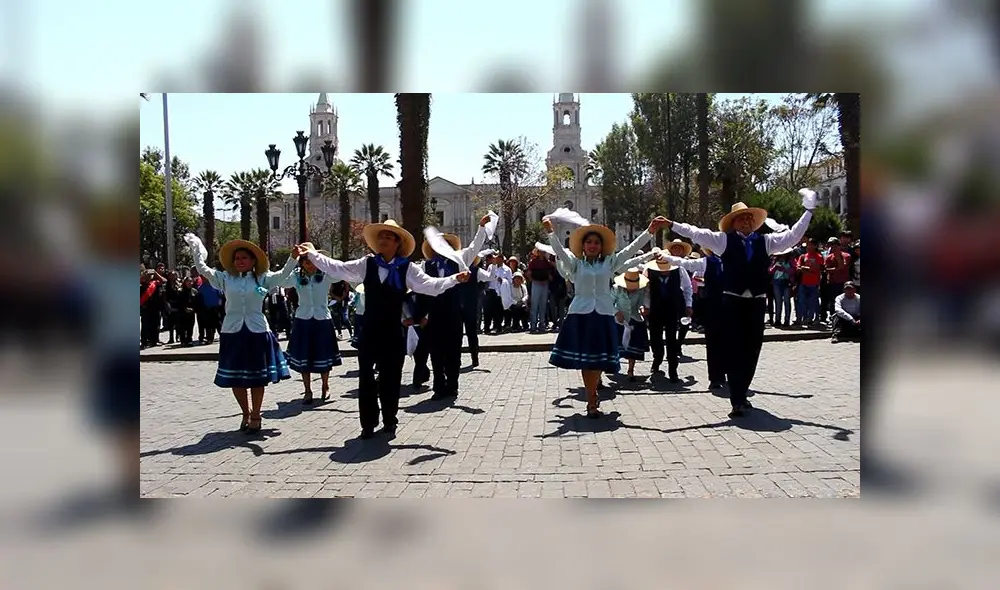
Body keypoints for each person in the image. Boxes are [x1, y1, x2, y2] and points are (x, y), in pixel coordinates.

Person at [298, 220, 470, 439]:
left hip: (393, 332)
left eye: (389, 237)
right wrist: (312, 254)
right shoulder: (366, 264)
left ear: (397, 243)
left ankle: (390, 419)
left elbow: (430, 286)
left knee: (391, 378)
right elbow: (338, 267)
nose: (383, 240)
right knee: (366, 378)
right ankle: (368, 424)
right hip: (369, 330)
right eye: (381, 236)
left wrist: (454, 279)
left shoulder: (407, 268)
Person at [663, 189, 815, 417]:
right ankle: (736, 399)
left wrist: (808, 211)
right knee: (734, 349)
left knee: (752, 350)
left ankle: (741, 393)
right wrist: (672, 224)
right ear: (733, 223)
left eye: (749, 218)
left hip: (757, 302)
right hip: (733, 302)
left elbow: (793, 236)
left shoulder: (765, 241)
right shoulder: (723, 240)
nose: (746, 221)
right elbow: (696, 233)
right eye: (742, 218)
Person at [544, 214, 668, 418]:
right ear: (583, 246)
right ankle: (591, 400)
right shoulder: (576, 264)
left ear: (602, 247)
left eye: (596, 242)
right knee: (586, 359)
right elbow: (559, 252)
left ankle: (593, 395)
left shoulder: (609, 263)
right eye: (589, 242)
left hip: (603, 313)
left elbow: (629, 251)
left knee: (598, 359)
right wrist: (551, 232)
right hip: (580, 314)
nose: (593, 245)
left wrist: (649, 232)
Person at [184, 234, 303, 433]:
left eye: (244, 258)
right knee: (236, 377)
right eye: (237, 258)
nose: (239, 261)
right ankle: (245, 413)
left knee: (257, 378)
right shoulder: (224, 278)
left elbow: (283, 275)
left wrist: (293, 257)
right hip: (232, 332)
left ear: (253, 260)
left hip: (257, 332)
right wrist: (196, 248)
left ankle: (256, 414)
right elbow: (203, 269)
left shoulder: (264, 278)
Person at [419, 215, 489, 400]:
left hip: (454, 312)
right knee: (436, 353)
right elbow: (420, 290)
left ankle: (452, 386)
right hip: (435, 314)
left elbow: (474, 248)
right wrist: (421, 315)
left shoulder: (459, 261)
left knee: (453, 352)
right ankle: (438, 387)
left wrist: (481, 228)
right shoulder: (426, 266)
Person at [280, 243, 343, 405]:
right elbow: (282, 281)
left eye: (312, 260)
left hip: (322, 319)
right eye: (305, 261)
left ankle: (325, 386)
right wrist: (292, 259)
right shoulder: (296, 276)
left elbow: (339, 273)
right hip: (303, 319)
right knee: (304, 356)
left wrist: (323, 262)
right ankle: (307, 390)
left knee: (324, 355)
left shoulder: (326, 274)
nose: (309, 264)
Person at [645, 251, 693, 383]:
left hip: (672, 309)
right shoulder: (649, 271)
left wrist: (688, 305)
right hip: (655, 309)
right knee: (655, 338)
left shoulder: (679, 270)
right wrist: (646, 306)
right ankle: (657, 359)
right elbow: (646, 291)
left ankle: (673, 370)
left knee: (671, 339)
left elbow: (687, 287)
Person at [611, 267, 651, 381]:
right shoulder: (616, 289)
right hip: (619, 320)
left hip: (634, 319)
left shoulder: (641, 291)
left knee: (633, 347)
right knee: (615, 346)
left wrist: (643, 308)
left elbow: (641, 303)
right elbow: (609, 302)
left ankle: (630, 370)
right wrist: (616, 312)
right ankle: (613, 366)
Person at [527, 248, 555, 332]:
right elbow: (529, 273)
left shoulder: (547, 262)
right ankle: (533, 325)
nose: (542, 253)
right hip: (536, 284)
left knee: (543, 304)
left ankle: (542, 324)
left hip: (544, 284)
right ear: (538, 253)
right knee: (535, 304)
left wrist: (548, 279)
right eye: (540, 252)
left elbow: (550, 273)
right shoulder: (533, 262)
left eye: (543, 251)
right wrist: (533, 280)